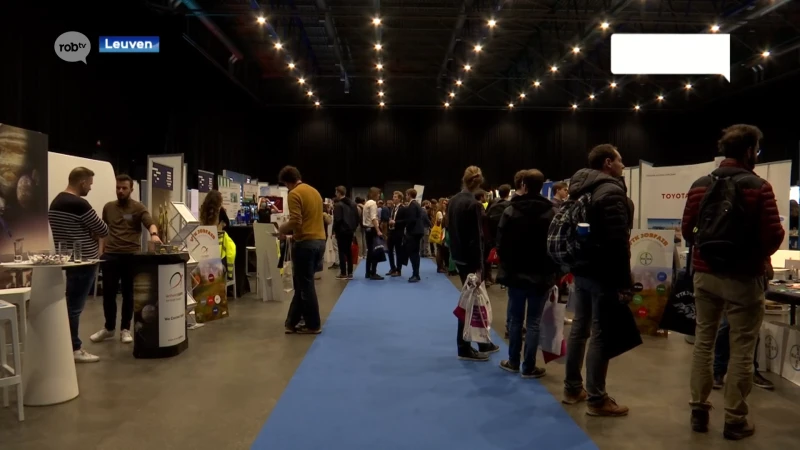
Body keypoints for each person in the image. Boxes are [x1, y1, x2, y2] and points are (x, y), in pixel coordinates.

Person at [681, 124, 783, 440]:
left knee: (703, 342)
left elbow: (688, 231)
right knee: (741, 346)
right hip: (743, 278)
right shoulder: (759, 186)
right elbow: (773, 235)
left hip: (704, 274)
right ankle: (735, 420)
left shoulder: (700, 184)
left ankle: (698, 411)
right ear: (750, 151)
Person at [563, 144, 636, 417]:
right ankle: (597, 399)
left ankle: (572, 388)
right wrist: (624, 281)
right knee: (600, 334)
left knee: (579, 328)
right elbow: (618, 242)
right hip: (603, 272)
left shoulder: (580, 187)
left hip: (581, 268)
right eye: (620, 160)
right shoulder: (610, 192)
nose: (623, 165)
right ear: (608, 162)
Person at [496, 169, 558, 378]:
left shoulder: (510, 211)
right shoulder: (552, 212)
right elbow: (555, 245)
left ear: (523, 184)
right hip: (541, 275)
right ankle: (529, 366)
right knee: (533, 322)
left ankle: (513, 361)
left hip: (516, 275)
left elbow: (501, 245)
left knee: (515, 320)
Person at [91, 174, 161, 345]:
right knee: (108, 294)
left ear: (131, 189)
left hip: (131, 256)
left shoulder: (138, 208)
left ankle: (125, 329)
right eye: (118, 188)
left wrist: (154, 235)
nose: (120, 191)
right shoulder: (108, 207)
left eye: (124, 188)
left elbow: (150, 223)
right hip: (111, 256)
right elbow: (103, 230)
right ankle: (109, 328)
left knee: (129, 294)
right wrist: (101, 252)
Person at [48, 167, 109, 363]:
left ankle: (65, 344)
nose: (90, 188)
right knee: (74, 307)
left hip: (68, 261)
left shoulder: (56, 202)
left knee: (69, 304)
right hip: (85, 261)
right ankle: (75, 347)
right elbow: (103, 229)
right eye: (90, 184)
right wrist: (92, 233)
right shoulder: (79, 205)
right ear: (82, 183)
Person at [448, 166, 500, 361]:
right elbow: (477, 239)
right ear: (479, 183)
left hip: (459, 257)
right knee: (470, 303)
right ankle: (463, 346)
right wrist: (480, 267)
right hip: (471, 261)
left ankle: (483, 342)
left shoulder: (453, 201)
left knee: (475, 302)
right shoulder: (474, 205)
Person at [277, 166, 326, 334]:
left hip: (305, 244)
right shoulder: (315, 192)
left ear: (287, 182)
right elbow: (319, 219)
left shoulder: (294, 193)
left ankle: (313, 324)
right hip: (319, 242)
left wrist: (281, 229)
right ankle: (292, 322)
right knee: (302, 284)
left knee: (305, 286)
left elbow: (296, 221)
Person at [200, 190, 236, 280]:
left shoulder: (203, 210)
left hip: (204, 254)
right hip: (219, 256)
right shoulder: (220, 211)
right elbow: (227, 223)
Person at [333, 186, 359, 280]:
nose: (335, 194)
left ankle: (343, 273)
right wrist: (353, 228)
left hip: (341, 231)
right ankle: (350, 272)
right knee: (348, 251)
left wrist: (334, 230)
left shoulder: (338, 205)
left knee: (341, 252)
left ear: (339, 193)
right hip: (350, 231)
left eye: (336, 192)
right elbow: (357, 218)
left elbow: (337, 220)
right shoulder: (353, 204)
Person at [401, 188, 425, 282]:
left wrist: (407, 230)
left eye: (406, 195)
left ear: (409, 195)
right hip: (417, 231)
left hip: (413, 232)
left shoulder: (412, 205)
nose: (405, 197)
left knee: (413, 254)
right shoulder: (416, 204)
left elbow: (411, 220)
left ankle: (416, 274)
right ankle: (416, 274)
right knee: (414, 253)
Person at [363, 187, 383, 280]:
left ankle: (368, 272)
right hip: (372, 229)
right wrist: (378, 230)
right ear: (375, 194)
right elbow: (373, 218)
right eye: (378, 194)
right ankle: (373, 272)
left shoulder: (366, 203)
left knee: (370, 252)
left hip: (367, 229)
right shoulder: (373, 203)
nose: (379, 195)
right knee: (375, 251)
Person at [386, 191, 407, 277]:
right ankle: (392, 268)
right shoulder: (392, 208)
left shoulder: (403, 208)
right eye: (393, 196)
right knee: (389, 251)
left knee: (398, 252)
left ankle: (398, 270)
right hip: (391, 232)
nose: (393, 198)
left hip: (399, 233)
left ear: (399, 198)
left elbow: (405, 221)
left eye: (395, 197)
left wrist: (395, 222)